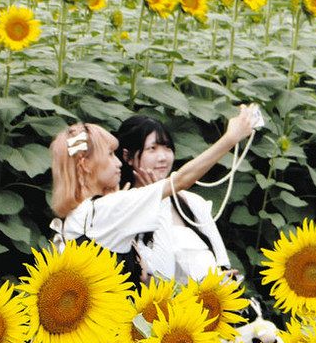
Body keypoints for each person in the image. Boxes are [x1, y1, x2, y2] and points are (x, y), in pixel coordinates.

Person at [49, 105, 257, 284]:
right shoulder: (106, 209)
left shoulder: (84, 214)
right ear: (85, 165)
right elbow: (182, 180)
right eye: (110, 154)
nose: (118, 162)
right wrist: (231, 138)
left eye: (167, 147)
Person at [114, 114, 237, 286]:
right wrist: (159, 200)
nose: (163, 157)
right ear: (127, 156)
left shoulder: (192, 203)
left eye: (167, 147)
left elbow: (223, 266)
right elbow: (162, 277)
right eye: (152, 149)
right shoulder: (121, 209)